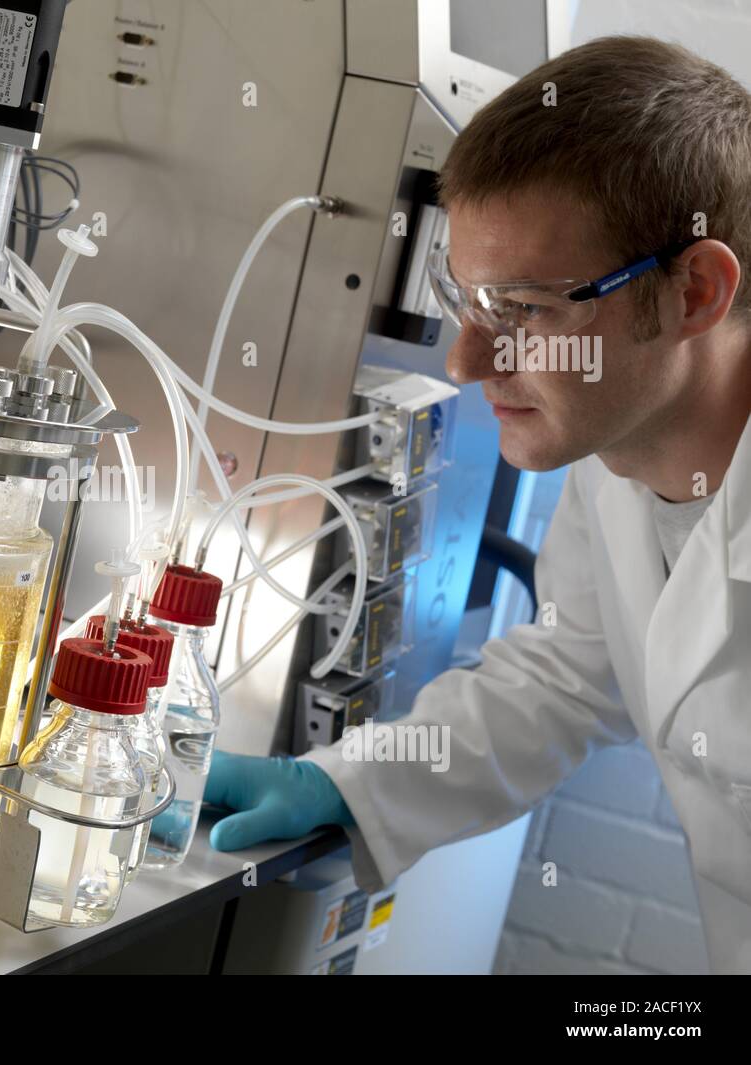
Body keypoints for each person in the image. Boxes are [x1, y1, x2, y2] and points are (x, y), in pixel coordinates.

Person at [204, 36, 751, 974]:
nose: (464, 363)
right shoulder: (618, 441)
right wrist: (343, 779)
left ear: (695, 290)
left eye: (527, 310)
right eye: (465, 299)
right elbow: (572, 672)